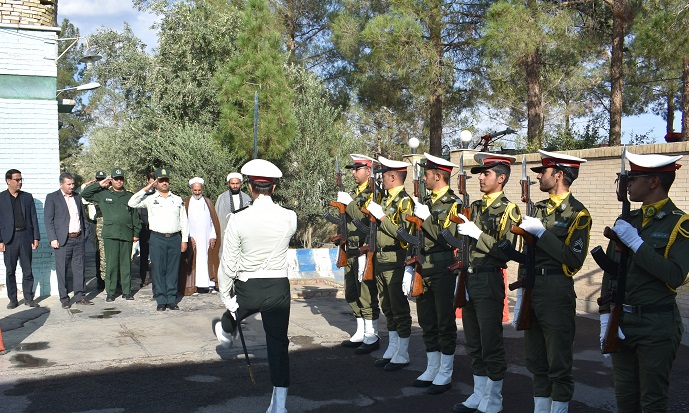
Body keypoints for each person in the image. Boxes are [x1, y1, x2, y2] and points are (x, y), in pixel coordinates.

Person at [599, 151, 688, 413]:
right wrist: (605, 314)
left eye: (633, 178)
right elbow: (611, 270)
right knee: (625, 397)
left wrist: (636, 244)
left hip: (656, 324)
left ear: (653, 182)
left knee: (652, 401)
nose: (628, 184)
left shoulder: (680, 224)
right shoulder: (628, 220)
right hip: (621, 318)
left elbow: (675, 275)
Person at [212, 158, 297, 413]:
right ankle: (279, 406)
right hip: (278, 288)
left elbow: (228, 262)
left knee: (234, 312)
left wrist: (226, 296)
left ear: (249, 188)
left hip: (248, 287)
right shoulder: (289, 217)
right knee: (279, 346)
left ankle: (226, 328)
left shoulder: (238, 219)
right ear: (274, 187)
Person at [512, 150, 590, 413]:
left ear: (558, 176)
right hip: (532, 286)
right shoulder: (538, 209)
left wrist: (543, 233)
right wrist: (522, 288)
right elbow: (526, 254)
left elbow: (573, 259)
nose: (538, 176)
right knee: (535, 358)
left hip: (556, 290)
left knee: (558, 359)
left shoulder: (577, 214)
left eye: (542, 172)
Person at [452, 153, 521, 412]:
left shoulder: (508, 209)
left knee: (490, 341)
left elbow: (505, 251)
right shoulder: (476, 207)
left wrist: (477, 233)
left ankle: (493, 399)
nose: (480, 177)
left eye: (486, 173)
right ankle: (479, 393)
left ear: (501, 178)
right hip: (468, 277)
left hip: (489, 279)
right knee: (473, 341)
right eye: (481, 173)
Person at [402, 153, 459, 394]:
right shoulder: (424, 201)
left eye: (426, 175)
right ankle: (432, 367)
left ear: (438, 176)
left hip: (443, 268)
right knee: (426, 320)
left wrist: (425, 220)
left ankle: (445, 372)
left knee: (444, 321)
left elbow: (449, 240)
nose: (424, 179)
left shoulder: (454, 204)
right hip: (422, 267)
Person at [364, 156, 414, 371]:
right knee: (387, 307)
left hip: (395, 258)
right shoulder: (384, 200)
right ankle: (393, 348)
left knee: (398, 307)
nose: (382, 180)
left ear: (393, 176)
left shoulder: (405, 202)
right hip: (381, 258)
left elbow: (404, 235)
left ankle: (402, 352)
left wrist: (383, 218)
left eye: (384, 176)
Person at [334, 154, 380, 350]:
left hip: (363, 249)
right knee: (352, 291)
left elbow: (361, 217)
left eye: (357, 169)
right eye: (352, 169)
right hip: (351, 248)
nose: (353, 173)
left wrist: (349, 203)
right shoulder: (356, 193)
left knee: (366, 292)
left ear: (368, 171)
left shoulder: (373, 193)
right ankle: (361, 330)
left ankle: (372, 334)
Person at [128, 168, 188, 311]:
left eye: (166, 180)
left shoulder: (177, 199)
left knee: (173, 270)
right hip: (157, 238)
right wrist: (147, 188)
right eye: (161, 181)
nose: (164, 183)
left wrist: (184, 239)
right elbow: (132, 203)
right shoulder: (150, 199)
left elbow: (184, 221)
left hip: (174, 238)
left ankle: (171, 299)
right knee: (158, 269)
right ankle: (161, 299)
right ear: (156, 182)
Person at [81, 168, 141, 302]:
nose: (119, 181)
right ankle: (111, 291)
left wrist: (136, 232)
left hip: (126, 233)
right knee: (111, 264)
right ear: (111, 180)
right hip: (110, 234)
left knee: (126, 264)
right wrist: (99, 184)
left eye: (121, 178)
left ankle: (127, 291)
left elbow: (134, 216)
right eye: (116, 178)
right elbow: (85, 194)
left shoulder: (129, 196)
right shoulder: (103, 194)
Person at [44, 172, 94, 308]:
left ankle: (80, 296)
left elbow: (83, 217)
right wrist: (53, 238)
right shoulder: (52, 198)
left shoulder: (77, 197)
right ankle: (64, 298)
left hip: (78, 238)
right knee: (62, 270)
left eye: (73, 184)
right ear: (61, 184)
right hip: (62, 240)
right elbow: (48, 220)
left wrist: (85, 234)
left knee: (80, 268)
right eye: (69, 184)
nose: (72, 186)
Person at [0, 169, 40, 309]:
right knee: (10, 270)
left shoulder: (27, 197)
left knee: (27, 269)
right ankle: (13, 299)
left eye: (21, 179)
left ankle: (29, 298)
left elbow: (33, 218)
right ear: (8, 181)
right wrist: (0, 240)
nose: (20, 182)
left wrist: (36, 237)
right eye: (17, 180)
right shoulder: (1, 198)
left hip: (25, 237)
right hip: (9, 239)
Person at [179, 177, 221, 296]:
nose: (197, 193)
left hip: (207, 238)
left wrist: (213, 236)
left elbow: (213, 222)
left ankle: (210, 284)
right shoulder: (186, 202)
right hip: (192, 238)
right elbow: (183, 221)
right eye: (195, 190)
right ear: (191, 189)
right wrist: (188, 237)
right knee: (194, 260)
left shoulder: (207, 202)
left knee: (209, 258)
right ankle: (195, 286)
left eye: (199, 190)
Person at [215, 172, 252, 255]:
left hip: (242, 233)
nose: (235, 186)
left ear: (241, 183)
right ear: (228, 184)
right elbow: (216, 217)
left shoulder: (247, 198)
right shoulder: (221, 198)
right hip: (226, 232)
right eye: (232, 183)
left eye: (237, 183)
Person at [82, 170, 107, 290]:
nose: (100, 182)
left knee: (107, 252)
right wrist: (85, 185)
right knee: (97, 252)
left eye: (102, 179)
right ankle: (100, 280)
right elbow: (81, 196)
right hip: (94, 223)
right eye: (98, 180)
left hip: (106, 222)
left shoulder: (106, 192)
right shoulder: (91, 192)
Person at [137, 172, 156, 288]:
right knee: (144, 254)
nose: (154, 183)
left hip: (156, 228)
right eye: (152, 180)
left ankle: (155, 277)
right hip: (144, 227)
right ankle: (144, 277)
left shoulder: (160, 193)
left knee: (155, 255)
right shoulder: (142, 192)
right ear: (147, 180)